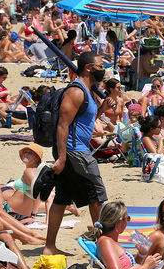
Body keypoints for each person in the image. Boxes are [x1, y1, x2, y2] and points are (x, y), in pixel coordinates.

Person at [40, 52, 113, 256]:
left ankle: (49, 247)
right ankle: (104, 247)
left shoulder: (88, 91)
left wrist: (101, 110)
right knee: (97, 197)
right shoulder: (76, 91)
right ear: (88, 68)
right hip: (74, 151)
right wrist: (62, 157)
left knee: (62, 198)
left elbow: (84, 122)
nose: (103, 69)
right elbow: (63, 126)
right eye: (100, 65)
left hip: (74, 149)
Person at [85, 200, 161, 269]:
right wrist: (145, 267)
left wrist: (142, 253)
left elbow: (131, 268)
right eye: (127, 219)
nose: (127, 223)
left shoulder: (112, 241)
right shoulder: (106, 242)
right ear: (120, 223)